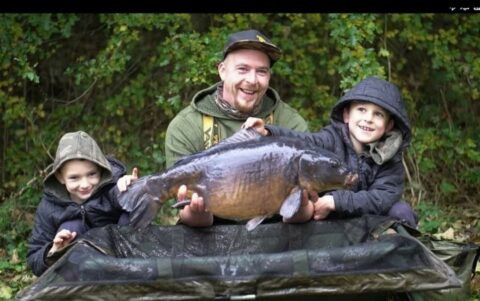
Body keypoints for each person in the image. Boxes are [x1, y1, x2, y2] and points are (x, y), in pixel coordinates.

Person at [165, 29, 309, 227]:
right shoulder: (186, 125)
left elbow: (305, 213)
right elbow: (186, 213)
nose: (252, 80)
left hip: (277, 233)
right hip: (208, 236)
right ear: (222, 70)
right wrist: (197, 214)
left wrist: (302, 206)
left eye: (261, 71)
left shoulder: (291, 122)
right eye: (242, 69)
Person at [243, 76, 418, 228]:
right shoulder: (329, 139)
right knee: (301, 204)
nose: (368, 119)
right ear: (347, 115)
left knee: (401, 210)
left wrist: (337, 201)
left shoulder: (391, 159)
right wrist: (269, 132)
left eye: (378, 114)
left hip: (369, 220)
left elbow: (382, 197)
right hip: (326, 217)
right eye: (362, 110)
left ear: (388, 126)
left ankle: (394, 259)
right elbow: (302, 141)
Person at [27, 131, 138, 276]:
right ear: (60, 177)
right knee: (70, 228)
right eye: (74, 178)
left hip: (122, 258)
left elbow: (136, 205)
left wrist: (135, 189)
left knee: (129, 216)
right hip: (83, 272)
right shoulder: (49, 206)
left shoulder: (113, 187)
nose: (85, 184)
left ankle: (132, 277)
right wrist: (53, 252)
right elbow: (34, 258)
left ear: (101, 169)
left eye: (92, 174)